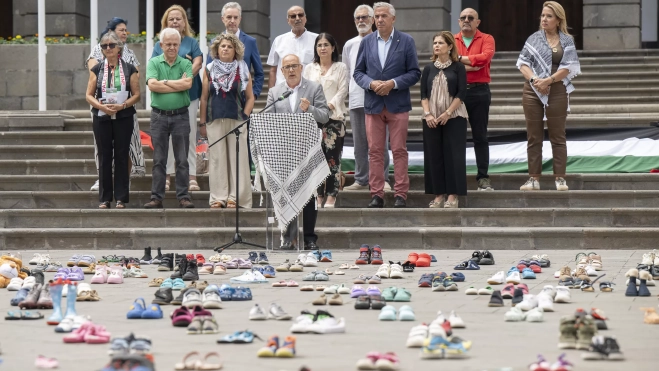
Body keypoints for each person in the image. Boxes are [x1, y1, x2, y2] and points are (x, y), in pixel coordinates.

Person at [353, 2, 421, 208]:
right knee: (374, 151)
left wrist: (393, 83)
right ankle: (377, 194)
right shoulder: (366, 42)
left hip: (397, 103)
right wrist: (371, 84)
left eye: (384, 16)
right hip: (373, 103)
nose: (379, 20)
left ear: (393, 19)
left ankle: (401, 193)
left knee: (399, 149)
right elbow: (358, 73)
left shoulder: (406, 41)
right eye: (377, 16)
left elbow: (415, 72)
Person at [265, 54, 330, 250]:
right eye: (287, 67)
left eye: (294, 66)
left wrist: (309, 108)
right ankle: (289, 238)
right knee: (286, 194)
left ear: (301, 68)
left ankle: (309, 238)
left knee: (309, 195)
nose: (291, 70)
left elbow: (325, 116)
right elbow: (268, 120)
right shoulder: (275, 92)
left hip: (308, 150)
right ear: (282, 71)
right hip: (284, 152)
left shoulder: (314, 88)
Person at [517, 1, 580, 191]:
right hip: (532, 89)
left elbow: (568, 67)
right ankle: (533, 179)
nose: (544, 19)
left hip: (557, 89)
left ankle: (560, 178)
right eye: (543, 15)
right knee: (534, 136)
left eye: (549, 16)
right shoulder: (534, 38)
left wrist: (548, 81)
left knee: (558, 135)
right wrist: (536, 81)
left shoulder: (567, 40)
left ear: (558, 19)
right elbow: (523, 63)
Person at [86, 17, 145, 192]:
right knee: (103, 147)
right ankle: (102, 179)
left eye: (126, 30)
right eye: (121, 30)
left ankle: (124, 181)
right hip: (101, 105)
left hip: (124, 106)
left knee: (125, 145)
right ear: (111, 31)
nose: (125, 33)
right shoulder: (99, 48)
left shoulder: (130, 53)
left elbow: (136, 75)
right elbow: (94, 73)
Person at [199, 33, 255, 209]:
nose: (225, 49)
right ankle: (218, 197)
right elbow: (204, 98)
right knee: (217, 159)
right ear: (216, 49)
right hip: (214, 120)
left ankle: (235, 198)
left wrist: (245, 116)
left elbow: (250, 97)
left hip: (237, 119)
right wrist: (202, 122)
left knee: (237, 158)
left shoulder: (242, 68)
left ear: (235, 50)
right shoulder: (209, 69)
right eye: (222, 46)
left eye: (229, 46)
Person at [152, 5, 203, 192]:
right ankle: (166, 174)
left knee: (188, 136)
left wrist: (186, 76)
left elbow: (197, 62)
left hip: (189, 96)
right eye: (171, 19)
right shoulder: (159, 44)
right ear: (166, 22)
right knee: (166, 137)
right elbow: (154, 69)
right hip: (164, 98)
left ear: (184, 22)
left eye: (178, 18)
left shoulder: (192, 42)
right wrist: (177, 82)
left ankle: (191, 176)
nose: (175, 21)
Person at [144, 28, 195, 209]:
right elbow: (152, 85)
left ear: (180, 45)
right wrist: (175, 84)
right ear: (161, 45)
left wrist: (163, 82)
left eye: (175, 44)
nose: (172, 47)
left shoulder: (186, 64)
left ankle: (183, 196)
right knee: (159, 159)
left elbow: (187, 83)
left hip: (181, 115)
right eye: (168, 44)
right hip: (159, 116)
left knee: (182, 159)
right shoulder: (154, 62)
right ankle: (156, 197)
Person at [342, 4, 391, 192]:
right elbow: (347, 73)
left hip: (379, 98)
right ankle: (362, 179)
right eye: (358, 18)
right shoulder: (349, 44)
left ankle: (383, 179)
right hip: (356, 99)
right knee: (359, 142)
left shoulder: (381, 40)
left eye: (365, 17)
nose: (361, 21)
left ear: (372, 19)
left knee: (379, 142)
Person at [421, 32, 469, 209]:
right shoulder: (428, 68)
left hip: (454, 116)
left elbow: (461, 93)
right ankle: (438, 195)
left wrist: (448, 113)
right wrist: (428, 115)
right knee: (434, 156)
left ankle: (452, 195)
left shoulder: (458, 67)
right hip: (431, 118)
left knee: (454, 156)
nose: (436, 45)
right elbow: (423, 95)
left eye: (441, 43)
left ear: (450, 47)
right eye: (435, 43)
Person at [303, 33, 349, 208]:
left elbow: (343, 90)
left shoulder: (340, 67)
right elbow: (306, 90)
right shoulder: (309, 68)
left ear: (333, 47)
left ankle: (331, 194)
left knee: (332, 159)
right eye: (319, 45)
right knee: (315, 159)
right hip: (313, 119)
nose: (322, 48)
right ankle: (318, 195)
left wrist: (329, 105)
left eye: (326, 45)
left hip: (334, 118)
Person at [454, 8, 495, 191]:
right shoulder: (452, 40)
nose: (467, 20)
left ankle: (483, 177)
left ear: (478, 22)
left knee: (480, 136)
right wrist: (471, 65)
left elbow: (484, 59)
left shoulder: (487, 39)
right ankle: (456, 177)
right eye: (463, 18)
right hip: (456, 93)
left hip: (479, 92)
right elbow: (448, 63)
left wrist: (460, 60)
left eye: (471, 18)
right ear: (458, 21)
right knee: (456, 138)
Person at [204, 2, 264, 99]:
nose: (232, 20)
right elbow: (208, 72)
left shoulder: (250, 42)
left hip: (243, 98)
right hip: (219, 98)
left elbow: (259, 73)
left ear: (240, 19)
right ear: (222, 19)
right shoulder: (215, 42)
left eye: (235, 17)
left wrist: (254, 95)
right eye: (229, 17)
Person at [266, 5, 318, 88]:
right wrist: (271, 94)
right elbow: (273, 70)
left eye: (300, 15)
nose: (297, 18)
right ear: (288, 21)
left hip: (309, 89)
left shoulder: (317, 40)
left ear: (305, 18)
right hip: (283, 90)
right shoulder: (279, 40)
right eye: (293, 16)